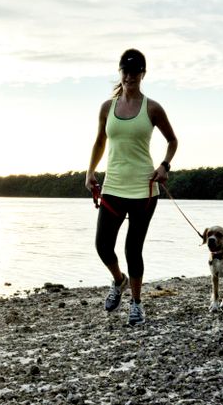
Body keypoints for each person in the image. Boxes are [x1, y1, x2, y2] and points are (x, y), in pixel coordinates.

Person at [85, 48, 178, 326]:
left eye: (135, 71)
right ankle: (118, 280)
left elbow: (173, 141)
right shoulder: (107, 107)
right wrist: (90, 171)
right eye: (125, 71)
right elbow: (100, 142)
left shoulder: (152, 108)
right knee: (103, 245)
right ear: (120, 73)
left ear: (143, 74)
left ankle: (137, 305)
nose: (130, 76)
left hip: (144, 190)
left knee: (132, 249)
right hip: (113, 187)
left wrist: (164, 166)